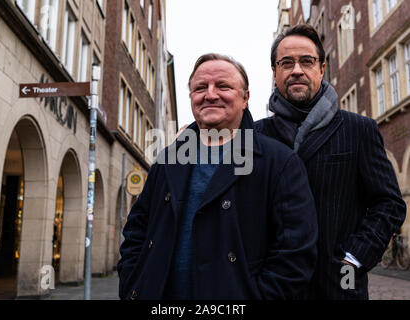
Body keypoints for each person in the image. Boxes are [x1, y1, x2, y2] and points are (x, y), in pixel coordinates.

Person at [117, 53, 318, 300]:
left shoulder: (279, 162)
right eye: (200, 88)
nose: (210, 94)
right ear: (191, 97)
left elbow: (295, 254)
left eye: (223, 86)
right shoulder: (168, 161)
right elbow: (137, 231)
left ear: (245, 98)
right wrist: (133, 284)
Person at [254, 24, 407, 299]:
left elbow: (389, 203)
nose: (297, 70)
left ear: (321, 69)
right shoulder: (254, 136)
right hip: (272, 290)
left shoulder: (358, 130)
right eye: (286, 63)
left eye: (307, 61)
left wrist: (353, 259)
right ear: (275, 73)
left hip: (338, 288)